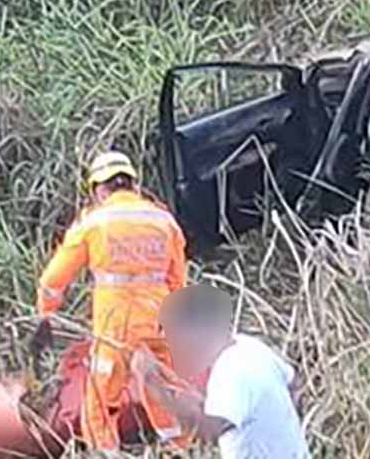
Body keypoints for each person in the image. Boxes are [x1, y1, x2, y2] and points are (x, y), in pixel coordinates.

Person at [35, 150, 189, 452]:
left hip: (116, 328)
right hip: (159, 324)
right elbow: (178, 281)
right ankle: (180, 449)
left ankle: (105, 453)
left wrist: (46, 316)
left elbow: (53, 280)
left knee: (101, 401)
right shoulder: (162, 220)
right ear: (133, 183)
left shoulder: (95, 223)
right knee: (164, 392)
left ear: (99, 188)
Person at [130, 284, 311, 459]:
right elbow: (295, 384)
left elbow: (205, 432)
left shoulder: (230, 371)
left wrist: (152, 383)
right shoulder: (249, 346)